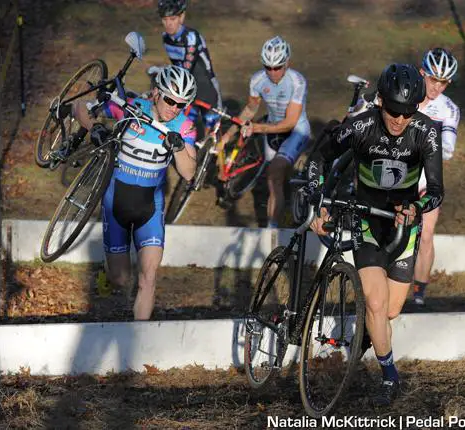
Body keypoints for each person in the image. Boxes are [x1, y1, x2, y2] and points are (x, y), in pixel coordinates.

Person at [307, 63, 443, 406]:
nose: (399, 120)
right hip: (366, 222)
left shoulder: (426, 132)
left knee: (391, 311)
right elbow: (318, 158)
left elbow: (437, 190)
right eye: (394, 111)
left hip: (402, 229)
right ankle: (389, 376)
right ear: (381, 101)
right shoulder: (362, 126)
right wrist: (318, 203)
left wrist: (417, 206)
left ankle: (364, 344)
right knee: (376, 304)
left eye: (408, 113)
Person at [73, 65, 198, 320]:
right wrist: (94, 126)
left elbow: (188, 172)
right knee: (120, 279)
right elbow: (79, 108)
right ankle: (107, 276)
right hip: (115, 201)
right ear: (156, 93)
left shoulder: (184, 126)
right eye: (170, 100)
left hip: (149, 209)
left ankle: (137, 348)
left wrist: (177, 148)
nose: (174, 108)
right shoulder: (132, 108)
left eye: (181, 104)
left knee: (148, 278)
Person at [220, 35, 311, 228]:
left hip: (295, 131)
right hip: (272, 131)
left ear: (287, 63)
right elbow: (250, 110)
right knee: (277, 180)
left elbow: (289, 122)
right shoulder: (257, 80)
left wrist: (258, 128)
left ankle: (272, 230)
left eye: (277, 67)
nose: (272, 72)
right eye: (267, 67)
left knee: (274, 173)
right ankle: (283, 213)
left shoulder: (297, 82)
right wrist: (229, 134)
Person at [412, 47, 461, 305]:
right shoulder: (406, 93)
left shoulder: (449, 109)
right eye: (433, 79)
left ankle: (419, 292)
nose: (437, 87)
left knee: (426, 233)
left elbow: (448, 149)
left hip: (425, 178)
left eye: (443, 82)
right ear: (422, 74)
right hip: (395, 171)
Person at [156, 0, 223, 139]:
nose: (168, 24)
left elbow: (186, 66)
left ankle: (214, 158)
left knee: (211, 130)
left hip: (206, 86)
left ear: (182, 17)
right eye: (165, 19)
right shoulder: (165, 38)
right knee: (181, 125)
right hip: (186, 86)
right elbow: (176, 65)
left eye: (173, 18)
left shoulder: (191, 37)